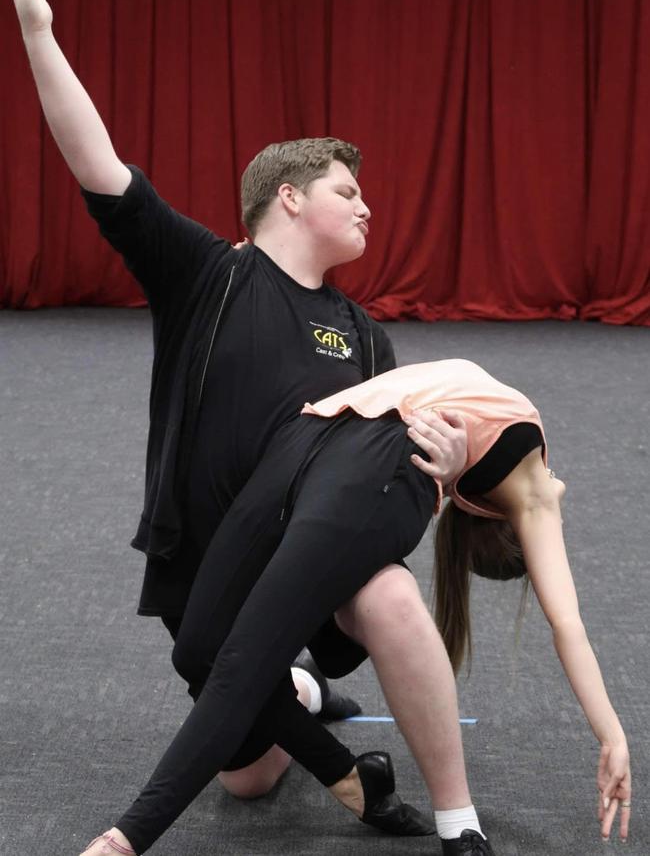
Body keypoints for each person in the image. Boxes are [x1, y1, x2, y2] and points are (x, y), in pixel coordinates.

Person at [10, 0, 471, 846]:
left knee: (389, 588)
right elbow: (95, 160)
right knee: (249, 777)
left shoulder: (367, 336)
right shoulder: (208, 274)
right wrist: (38, 28)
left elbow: (386, 468)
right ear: (289, 198)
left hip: (309, 561)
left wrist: (441, 469)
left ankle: (453, 809)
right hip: (206, 570)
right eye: (348, 189)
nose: (368, 206)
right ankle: (298, 694)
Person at [79, 359, 630, 856]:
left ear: (501, 521)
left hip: (373, 468)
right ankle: (332, 742)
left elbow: (568, 623)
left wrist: (611, 735)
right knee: (197, 650)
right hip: (309, 434)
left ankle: (124, 840)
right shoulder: (507, 438)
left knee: (239, 664)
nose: (561, 485)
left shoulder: (531, 493)